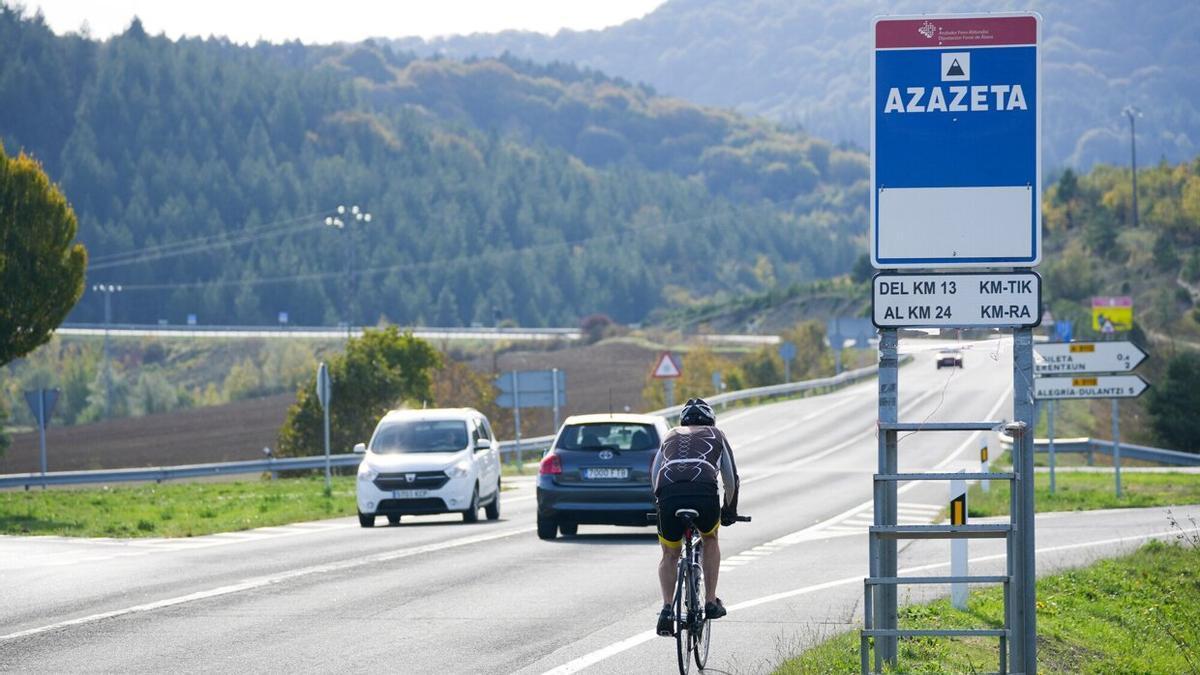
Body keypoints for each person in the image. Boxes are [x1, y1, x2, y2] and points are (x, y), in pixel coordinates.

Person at [651, 397, 741, 636]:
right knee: (710, 539)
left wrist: (660, 505)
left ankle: (667, 609)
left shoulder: (669, 435)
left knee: (669, 553)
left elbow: (655, 474)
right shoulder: (717, 434)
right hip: (703, 493)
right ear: (710, 420)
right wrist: (729, 511)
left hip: (669, 496)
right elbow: (731, 480)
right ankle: (710, 601)